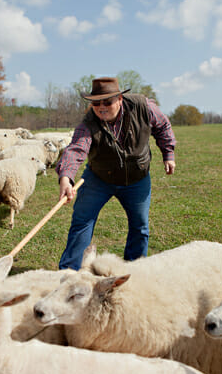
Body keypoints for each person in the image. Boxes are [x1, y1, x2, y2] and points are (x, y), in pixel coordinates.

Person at [56, 76, 176, 270]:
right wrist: (66, 177)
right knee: (82, 221)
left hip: (137, 178)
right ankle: (69, 272)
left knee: (140, 227)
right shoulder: (88, 123)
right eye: (96, 103)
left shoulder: (143, 107)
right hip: (99, 178)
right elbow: (76, 149)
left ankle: (133, 271)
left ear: (120, 99)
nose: (101, 107)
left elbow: (163, 126)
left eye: (107, 102)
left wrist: (168, 153)